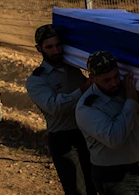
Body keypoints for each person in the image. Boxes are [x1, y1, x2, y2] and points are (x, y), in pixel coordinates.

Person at [25, 24, 96, 195]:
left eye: (58, 44)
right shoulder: (36, 80)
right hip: (64, 139)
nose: (56, 50)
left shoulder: (73, 68)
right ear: (39, 49)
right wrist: (83, 90)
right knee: (77, 190)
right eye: (49, 46)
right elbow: (53, 106)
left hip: (86, 133)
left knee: (94, 186)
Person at [75, 51, 139, 195]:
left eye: (116, 76)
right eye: (107, 80)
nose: (114, 83)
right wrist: (131, 101)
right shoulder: (87, 107)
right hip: (115, 177)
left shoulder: (122, 90)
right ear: (92, 78)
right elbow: (115, 139)